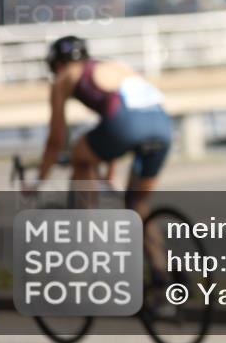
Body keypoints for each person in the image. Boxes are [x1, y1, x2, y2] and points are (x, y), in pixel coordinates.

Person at [38, 35, 173, 220]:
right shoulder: (113, 67)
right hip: (162, 124)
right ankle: (155, 248)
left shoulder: (65, 76)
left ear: (58, 65)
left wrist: (37, 182)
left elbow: (56, 140)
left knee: (80, 158)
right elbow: (114, 121)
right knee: (137, 206)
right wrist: (110, 173)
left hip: (125, 124)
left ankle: (88, 230)